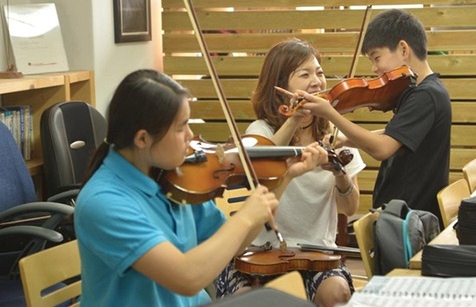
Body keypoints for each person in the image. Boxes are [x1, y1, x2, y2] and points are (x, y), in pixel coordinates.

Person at [74, 69, 328, 306]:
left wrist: (285, 178)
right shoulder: (104, 202)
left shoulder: (175, 178)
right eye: (181, 127)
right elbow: (187, 278)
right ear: (142, 139)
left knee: (277, 300)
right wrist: (246, 217)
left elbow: (234, 246)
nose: (190, 136)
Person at [216, 38, 366, 307]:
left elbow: (350, 207)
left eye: (319, 72)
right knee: (245, 301)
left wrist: (340, 174)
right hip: (259, 254)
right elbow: (266, 162)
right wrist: (294, 117)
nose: (317, 81)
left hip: (317, 254)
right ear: (281, 85)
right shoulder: (260, 132)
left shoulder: (335, 134)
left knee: (337, 293)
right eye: (305, 74)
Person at [300, 9, 452, 225]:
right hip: (405, 215)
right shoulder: (423, 91)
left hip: (409, 219)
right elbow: (398, 135)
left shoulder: (426, 95)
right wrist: (345, 140)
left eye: (377, 57)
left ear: (403, 48)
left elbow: (383, 148)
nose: (374, 68)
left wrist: (330, 113)